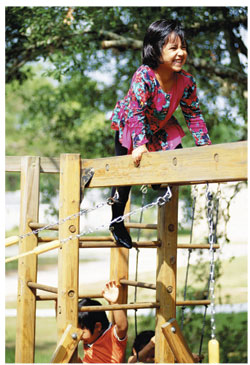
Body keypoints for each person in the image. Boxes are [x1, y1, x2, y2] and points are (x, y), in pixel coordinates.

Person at [109, 19, 212, 249]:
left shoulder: (185, 82)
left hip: (160, 126)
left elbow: (193, 115)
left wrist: (205, 147)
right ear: (156, 49)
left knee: (176, 161)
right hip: (131, 125)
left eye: (183, 47)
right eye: (173, 48)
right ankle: (116, 223)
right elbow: (135, 111)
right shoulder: (144, 75)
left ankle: (157, 183)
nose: (180, 53)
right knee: (124, 179)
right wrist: (138, 144)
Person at [78, 281, 128, 363]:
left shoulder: (112, 336)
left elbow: (122, 327)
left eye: (82, 329)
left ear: (98, 326)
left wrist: (114, 303)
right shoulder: (88, 338)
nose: (79, 334)